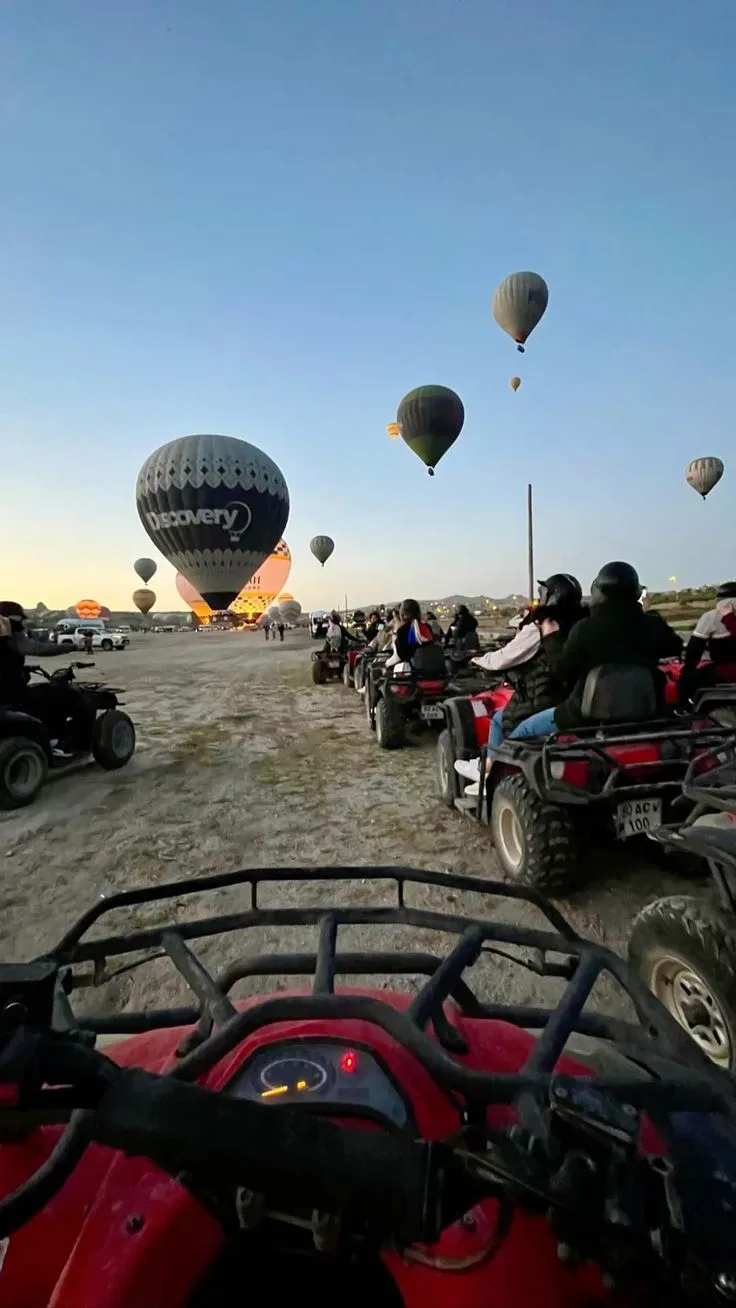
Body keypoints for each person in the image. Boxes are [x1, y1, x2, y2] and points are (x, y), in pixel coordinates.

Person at [505, 561, 683, 741]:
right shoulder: (653, 625)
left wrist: (552, 637)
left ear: (598, 592)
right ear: (636, 592)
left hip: (586, 718)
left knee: (522, 732)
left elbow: (561, 672)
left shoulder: (585, 629)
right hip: (646, 713)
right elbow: (675, 647)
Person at [454, 574, 587, 791]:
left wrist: (480, 661)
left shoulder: (545, 625)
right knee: (500, 718)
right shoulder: (581, 624)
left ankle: (491, 771)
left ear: (552, 597)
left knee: (511, 739)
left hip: (547, 699)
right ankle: (487, 772)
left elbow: (508, 656)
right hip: (568, 696)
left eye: (543, 594)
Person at [0, 601, 92, 755]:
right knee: (64, 696)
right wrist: (74, 646)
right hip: (11, 695)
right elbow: (37, 648)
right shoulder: (12, 631)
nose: (22, 623)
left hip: (6, 694)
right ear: (13, 617)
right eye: (21, 619)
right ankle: (57, 742)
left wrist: (20, 668)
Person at [680, 582, 736, 704]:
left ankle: (686, 708)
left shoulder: (711, 617)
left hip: (725, 670)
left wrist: (687, 671)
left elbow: (694, 650)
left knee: (688, 678)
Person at [386, 599, 442, 670]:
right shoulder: (427, 627)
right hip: (431, 666)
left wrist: (387, 663)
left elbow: (401, 655)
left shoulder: (402, 630)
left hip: (413, 669)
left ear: (403, 615)